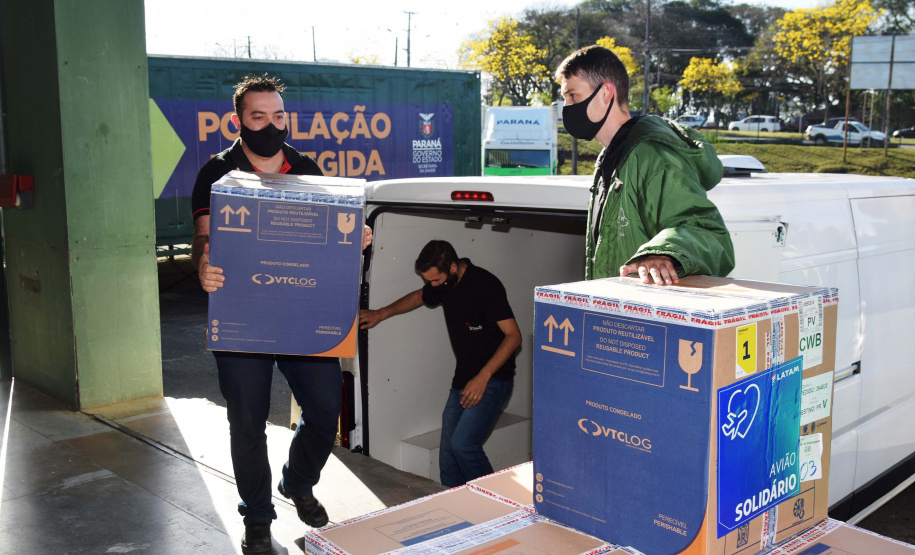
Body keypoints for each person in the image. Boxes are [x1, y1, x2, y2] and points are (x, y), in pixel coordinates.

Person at [191, 74, 371, 554]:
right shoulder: (216, 173)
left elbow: (332, 235)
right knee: (247, 423)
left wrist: (356, 240)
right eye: (259, 117)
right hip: (242, 317)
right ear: (238, 120)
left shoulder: (307, 167)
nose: (271, 126)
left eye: (278, 117)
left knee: (325, 411)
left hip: (301, 315)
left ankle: (297, 480)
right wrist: (204, 264)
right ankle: (257, 517)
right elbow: (204, 240)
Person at [555, 45, 735, 284]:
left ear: (606, 93)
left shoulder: (651, 154)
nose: (566, 107)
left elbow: (704, 229)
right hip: (617, 310)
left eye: (573, 96)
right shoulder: (611, 157)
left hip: (642, 315)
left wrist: (661, 252)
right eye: (565, 98)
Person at [359, 240, 521, 487]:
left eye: (436, 280)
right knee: (448, 456)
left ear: (453, 267)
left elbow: (513, 336)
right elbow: (419, 297)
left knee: (463, 445)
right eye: (429, 281)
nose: (432, 286)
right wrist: (381, 313)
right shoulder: (443, 284)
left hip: (493, 381)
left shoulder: (485, 285)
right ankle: (455, 507)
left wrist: (483, 377)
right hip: (463, 381)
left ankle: (498, 508)